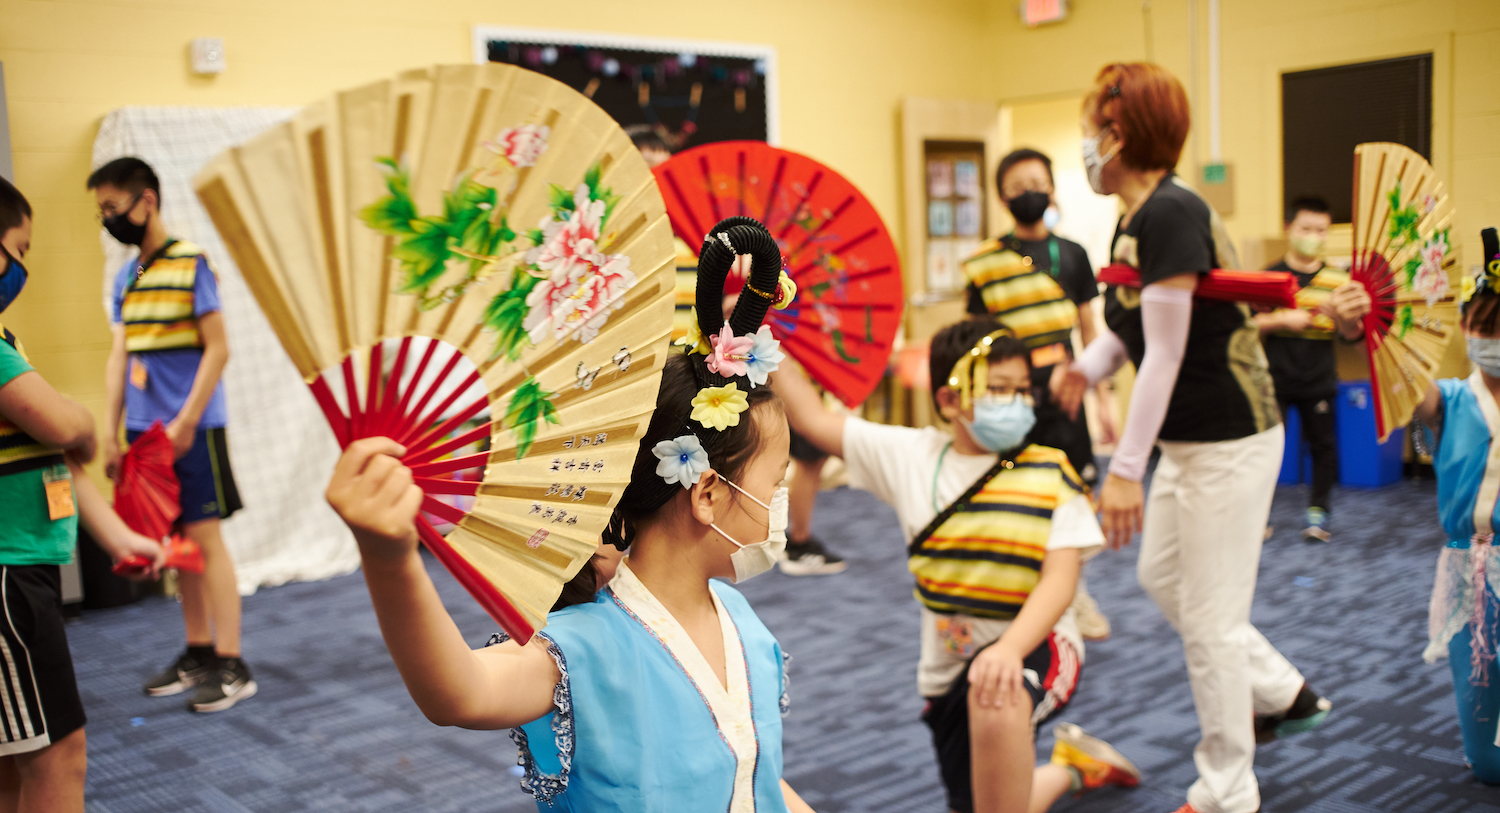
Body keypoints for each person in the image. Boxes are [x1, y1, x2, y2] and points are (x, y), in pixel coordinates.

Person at [325, 219, 816, 811]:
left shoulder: (738, 616)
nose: (783, 498)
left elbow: (751, 771)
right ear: (706, 493)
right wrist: (389, 559)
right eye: (777, 479)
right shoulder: (584, 648)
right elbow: (458, 694)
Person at [1051, 63, 1333, 813]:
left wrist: (1123, 470)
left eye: (1092, 130)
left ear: (1120, 134)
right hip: (1187, 442)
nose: (1086, 146)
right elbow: (1128, 330)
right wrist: (1084, 370)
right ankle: (1284, 691)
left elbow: (1168, 351)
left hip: (1229, 440)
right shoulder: (1134, 217)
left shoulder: (1173, 213)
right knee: (1161, 576)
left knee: (1209, 621)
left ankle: (1226, 790)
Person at [776, 317, 1139, 813]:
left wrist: (1010, 650)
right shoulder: (914, 456)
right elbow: (813, 420)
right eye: (996, 389)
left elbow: (1061, 579)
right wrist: (752, 333)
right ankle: (1075, 768)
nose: (1013, 402)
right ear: (948, 399)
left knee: (996, 700)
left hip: (1039, 645)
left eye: (1021, 391)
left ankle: (1057, 755)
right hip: (946, 670)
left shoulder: (1048, 470)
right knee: (985, 803)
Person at [0, 175, 163, 813]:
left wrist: (120, 537)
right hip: (10, 580)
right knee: (60, 758)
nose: (21, 268)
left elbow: (55, 455)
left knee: (17, 763)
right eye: (20, 249)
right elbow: (68, 428)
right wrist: (90, 422)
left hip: (23, 571)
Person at [87, 157, 252, 712]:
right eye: (102, 211)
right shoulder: (127, 277)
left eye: (113, 207)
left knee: (206, 539)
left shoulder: (192, 263)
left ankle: (232, 663)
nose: (108, 218)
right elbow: (120, 357)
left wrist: (184, 422)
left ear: (147, 200)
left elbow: (219, 348)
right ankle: (199, 650)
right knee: (175, 546)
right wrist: (111, 434)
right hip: (144, 434)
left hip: (193, 431)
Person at [964, 147, 1115, 639]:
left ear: (1051, 187)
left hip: (1069, 392)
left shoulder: (1072, 254)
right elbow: (976, 336)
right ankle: (1027, 595)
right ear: (1002, 198)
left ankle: (1079, 592)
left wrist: (1104, 395)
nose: (1027, 191)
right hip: (1014, 398)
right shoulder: (986, 263)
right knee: (1019, 491)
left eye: (1036, 181)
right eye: (1015, 186)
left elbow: (1091, 328)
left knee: (1076, 491)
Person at [1413, 227, 1500, 783]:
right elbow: (1407, 385)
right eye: (1486, 327)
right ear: (1466, 328)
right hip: (1472, 564)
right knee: (1481, 683)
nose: (1493, 338)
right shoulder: (1448, 399)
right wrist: (1379, 331)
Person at [1254, 195, 1368, 541]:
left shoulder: (1340, 281)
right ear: (1289, 228)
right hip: (1273, 381)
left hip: (1319, 379)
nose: (1313, 236)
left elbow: (1355, 336)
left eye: (1321, 230)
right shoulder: (1269, 278)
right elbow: (1246, 326)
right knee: (1264, 451)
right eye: (1306, 228)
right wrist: (1282, 319)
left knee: (1323, 448)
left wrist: (1346, 321)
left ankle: (1318, 517)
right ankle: (1257, 519)